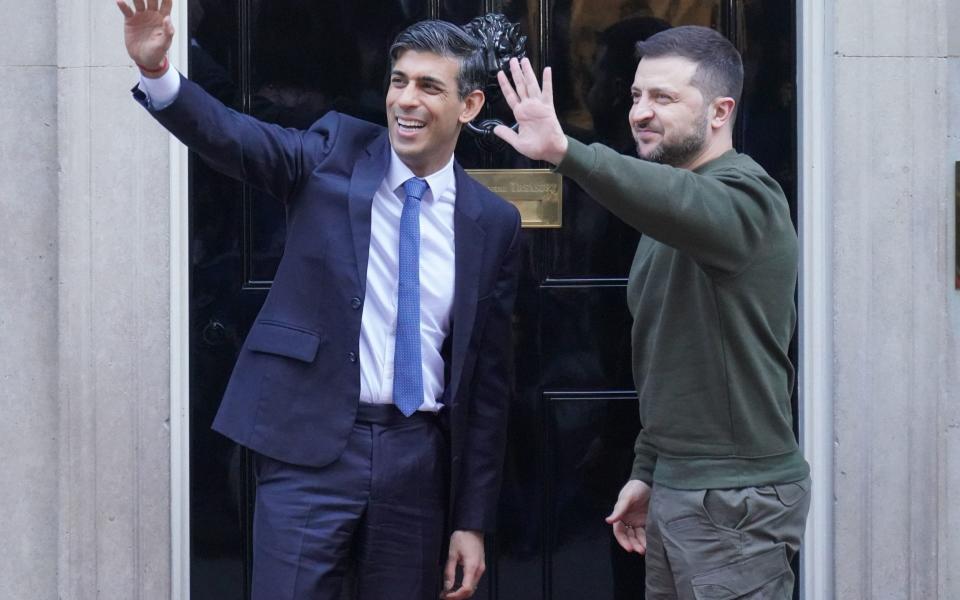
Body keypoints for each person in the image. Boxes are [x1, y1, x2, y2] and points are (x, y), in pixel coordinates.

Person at [117, 1, 522, 599]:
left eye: (429, 86)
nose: (406, 100)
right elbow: (233, 137)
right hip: (310, 449)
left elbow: (488, 383)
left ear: (469, 105)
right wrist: (158, 74)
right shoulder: (332, 152)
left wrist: (471, 519)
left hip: (418, 460)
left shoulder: (493, 222)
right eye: (399, 81)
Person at [493, 25, 810, 599]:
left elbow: (682, 203)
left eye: (663, 98)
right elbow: (668, 359)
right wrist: (647, 469)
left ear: (720, 112)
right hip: (681, 487)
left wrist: (565, 152)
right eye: (637, 96)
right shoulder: (667, 215)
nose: (640, 112)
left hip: (734, 501)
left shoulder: (746, 196)